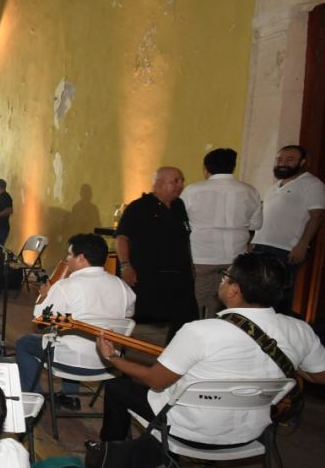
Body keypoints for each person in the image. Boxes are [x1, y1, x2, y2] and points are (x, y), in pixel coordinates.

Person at [97, 252, 325, 446]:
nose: (222, 281)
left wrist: (113, 358)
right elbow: (319, 375)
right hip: (249, 434)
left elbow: (156, 380)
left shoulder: (200, 330)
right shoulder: (300, 330)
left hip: (188, 429)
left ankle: (108, 460)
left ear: (235, 290)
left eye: (226, 277)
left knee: (117, 387)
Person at [15, 234, 136, 410]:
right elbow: (127, 316)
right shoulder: (122, 286)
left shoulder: (65, 286)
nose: (67, 259)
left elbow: (40, 321)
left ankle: (35, 397)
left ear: (81, 258)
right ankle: (69, 397)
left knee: (25, 343)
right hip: (109, 362)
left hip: (70, 362)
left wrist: (45, 295)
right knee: (73, 339)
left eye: (70, 254)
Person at [115, 167, 197, 341]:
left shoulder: (179, 206)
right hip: (148, 274)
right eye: (174, 181)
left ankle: (175, 355)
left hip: (178, 274)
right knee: (142, 317)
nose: (180, 185)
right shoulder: (138, 207)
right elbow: (122, 238)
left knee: (185, 317)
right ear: (158, 183)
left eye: (181, 180)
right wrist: (125, 265)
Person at [181, 148, 262, 318]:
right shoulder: (250, 191)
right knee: (229, 299)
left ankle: (201, 329)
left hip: (201, 255)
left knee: (199, 300)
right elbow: (256, 224)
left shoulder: (193, 190)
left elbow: (181, 221)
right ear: (233, 166)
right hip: (235, 256)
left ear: (206, 169)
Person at [250, 144, 325, 314]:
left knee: (279, 296)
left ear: (303, 162)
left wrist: (303, 244)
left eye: (289, 159)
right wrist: (253, 241)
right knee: (257, 295)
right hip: (260, 246)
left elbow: (317, 216)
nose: (282, 163)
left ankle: (278, 337)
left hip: (285, 250)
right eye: (279, 159)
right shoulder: (275, 186)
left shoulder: (311, 184)